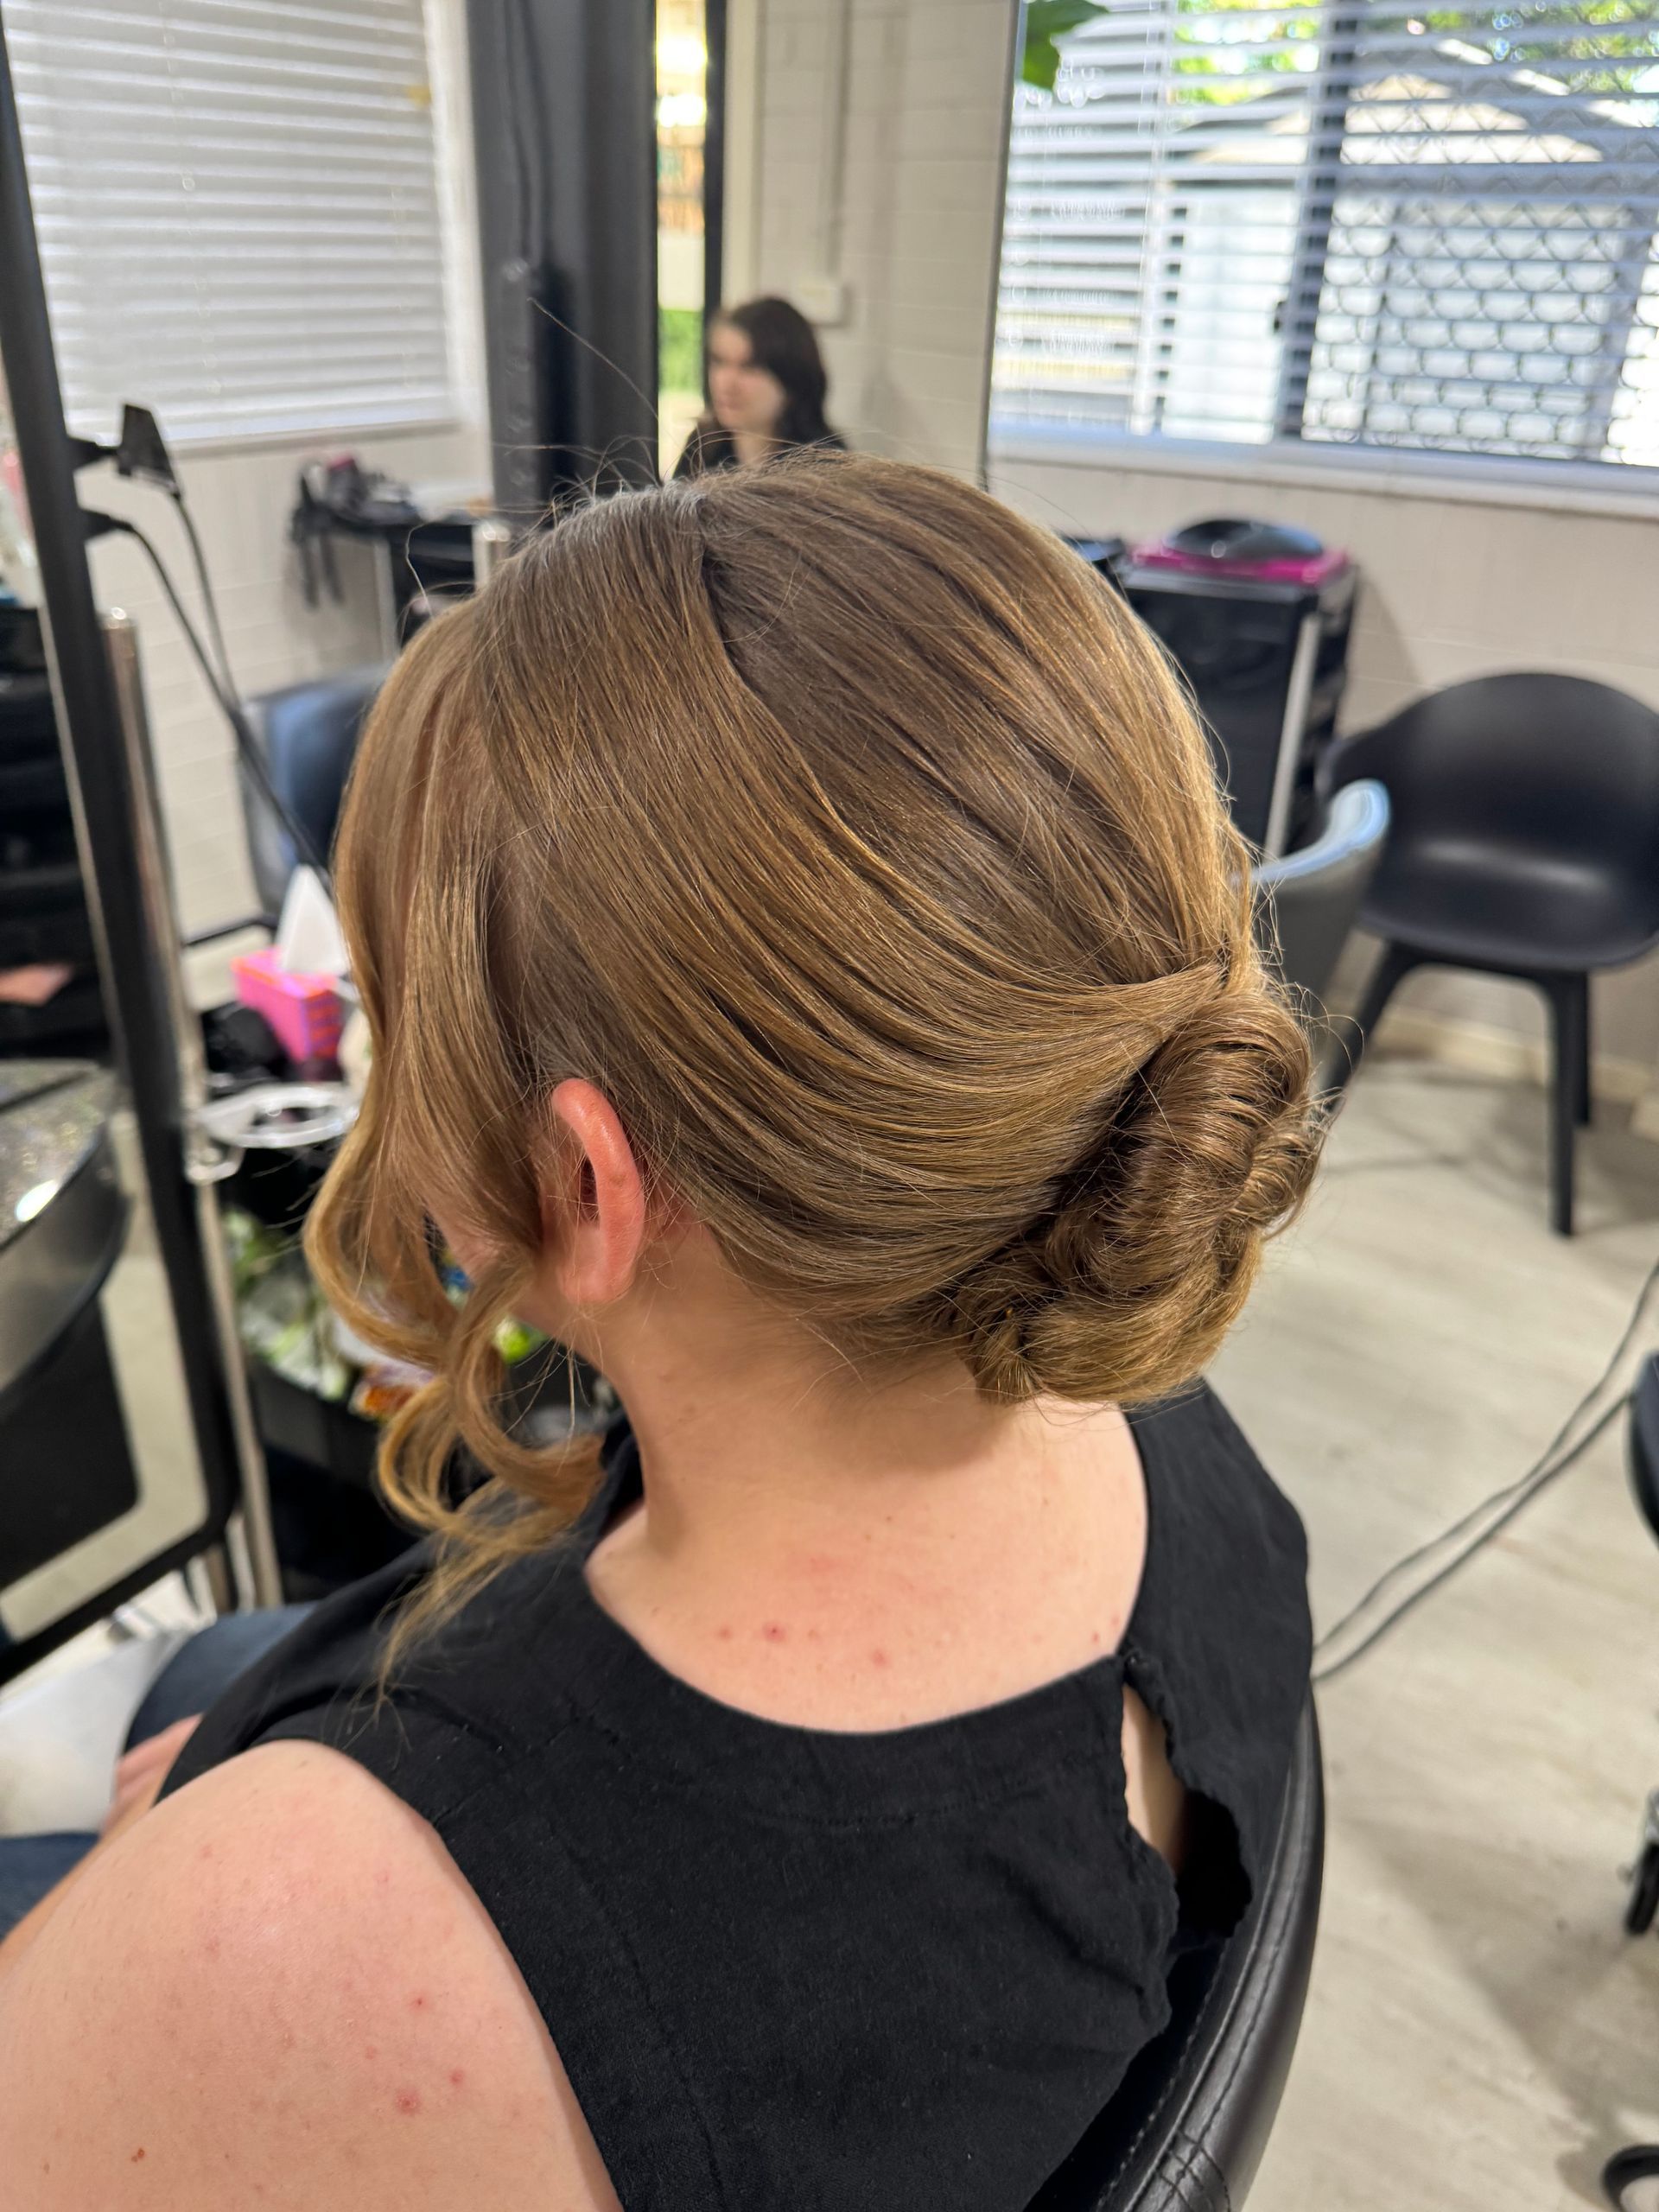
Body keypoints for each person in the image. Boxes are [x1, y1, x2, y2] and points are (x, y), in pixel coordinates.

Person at [0, 453, 1317, 2211]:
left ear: (592, 1187)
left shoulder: (315, 1936)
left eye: (394, 1019)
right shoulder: (1181, 1438)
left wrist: (226, 1874)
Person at [672, 294, 844, 476]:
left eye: (749, 367)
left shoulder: (828, 465)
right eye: (719, 361)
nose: (726, 383)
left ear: (791, 379)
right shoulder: (702, 447)